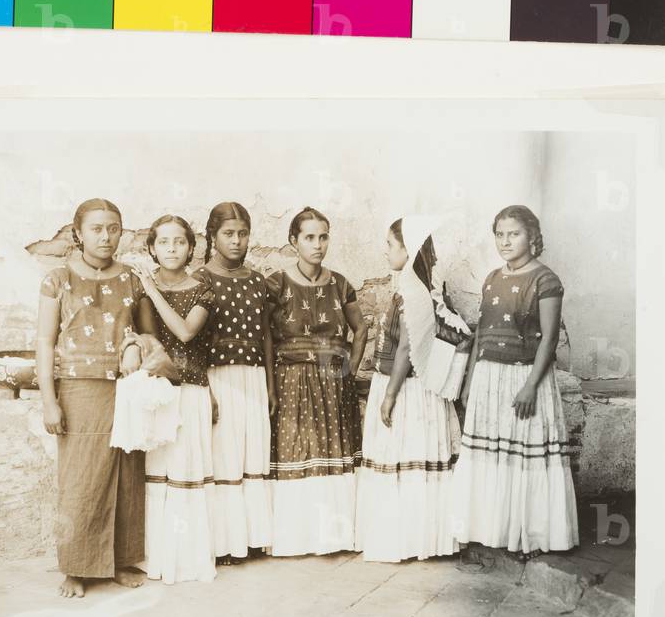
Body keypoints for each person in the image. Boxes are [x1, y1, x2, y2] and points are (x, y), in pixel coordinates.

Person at [36, 198, 157, 598]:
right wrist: (49, 401)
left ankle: (120, 562)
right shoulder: (57, 279)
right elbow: (44, 341)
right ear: (78, 233)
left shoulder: (134, 280)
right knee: (80, 479)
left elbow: (149, 335)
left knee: (126, 474)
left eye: (114, 228)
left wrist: (137, 346)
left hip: (126, 389)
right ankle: (76, 567)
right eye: (97, 229)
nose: (106, 237)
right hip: (78, 388)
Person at [452, 205, 579, 559]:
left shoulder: (545, 280)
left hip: (525, 376)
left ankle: (528, 533)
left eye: (514, 234)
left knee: (522, 455)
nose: (505, 241)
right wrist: (470, 382)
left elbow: (550, 339)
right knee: (492, 454)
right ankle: (490, 528)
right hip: (489, 377)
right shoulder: (492, 277)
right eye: (500, 234)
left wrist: (530, 387)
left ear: (532, 237)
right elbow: (482, 335)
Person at [355, 216, 472, 562]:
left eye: (391, 244)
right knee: (408, 459)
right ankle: (414, 534)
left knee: (404, 455)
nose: (386, 251)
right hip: (410, 384)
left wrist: (389, 395)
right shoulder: (417, 287)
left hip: (407, 387)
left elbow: (407, 347)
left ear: (409, 250)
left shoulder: (413, 292)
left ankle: (405, 537)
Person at [266, 207, 366, 555]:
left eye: (323, 236)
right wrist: (270, 385)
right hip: (292, 378)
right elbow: (265, 336)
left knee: (330, 449)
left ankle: (333, 536)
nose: (318, 245)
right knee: (297, 448)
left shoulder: (340, 284)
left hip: (332, 379)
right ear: (294, 241)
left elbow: (361, 328)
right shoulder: (276, 284)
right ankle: (296, 537)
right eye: (309, 237)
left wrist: (348, 370)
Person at [131, 214, 217, 585]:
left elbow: (183, 334)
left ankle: (187, 560)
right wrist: (147, 293)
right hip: (159, 392)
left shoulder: (203, 290)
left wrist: (151, 289)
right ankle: (156, 558)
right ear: (151, 248)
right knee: (158, 473)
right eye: (163, 242)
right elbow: (150, 345)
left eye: (179, 242)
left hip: (192, 391)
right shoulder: (139, 295)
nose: (171, 249)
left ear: (191, 248)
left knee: (185, 472)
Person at [193, 202, 273, 564]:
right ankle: (226, 543)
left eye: (242, 234)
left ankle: (253, 538)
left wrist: (270, 385)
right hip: (219, 376)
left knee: (252, 451)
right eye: (228, 234)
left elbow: (267, 336)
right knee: (224, 455)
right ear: (212, 236)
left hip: (253, 376)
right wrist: (206, 391)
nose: (237, 241)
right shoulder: (201, 280)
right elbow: (194, 343)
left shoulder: (258, 282)